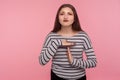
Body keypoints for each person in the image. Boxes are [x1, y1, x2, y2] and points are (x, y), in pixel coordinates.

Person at [39, 4, 97, 80]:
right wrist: (58, 43)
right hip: (57, 76)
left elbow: (93, 62)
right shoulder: (51, 36)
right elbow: (42, 61)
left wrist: (74, 61)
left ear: (74, 18)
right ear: (58, 18)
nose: (65, 17)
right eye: (62, 14)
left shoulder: (83, 36)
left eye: (69, 14)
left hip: (79, 77)